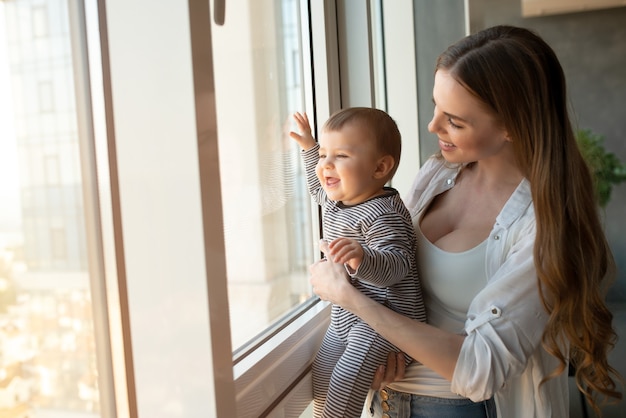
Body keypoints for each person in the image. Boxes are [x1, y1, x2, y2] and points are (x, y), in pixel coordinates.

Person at [308, 25, 623, 418]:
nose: (433, 127)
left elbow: (480, 370)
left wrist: (350, 299)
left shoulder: (543, 228)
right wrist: (383, 344)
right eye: (435, 106)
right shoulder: (436, 175)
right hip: (389, 402)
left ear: (511, 125)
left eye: (455, 120)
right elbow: (394, 273)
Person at [290, 108, 427, 417]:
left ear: (380, 168)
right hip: (349, 314)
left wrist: (363, 259)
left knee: (343, 386)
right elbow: (317, 186)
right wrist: (311, 148)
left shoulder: (383, 214)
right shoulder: (339, 199)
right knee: (323, 377)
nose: (326, 165)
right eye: (325, 155)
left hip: (387, 320)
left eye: (340, 156)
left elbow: (397, 266)